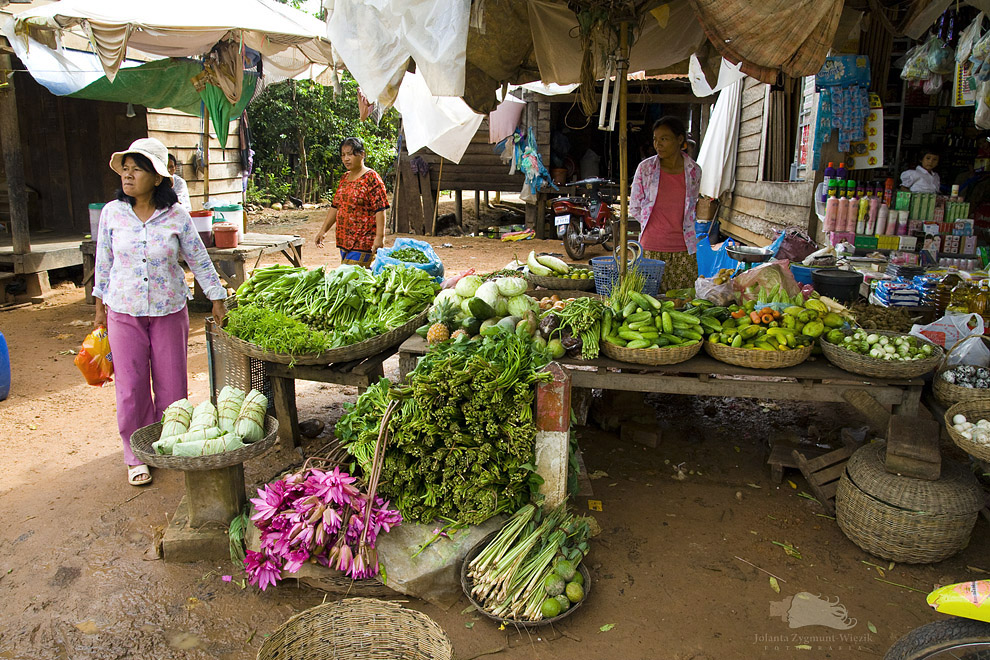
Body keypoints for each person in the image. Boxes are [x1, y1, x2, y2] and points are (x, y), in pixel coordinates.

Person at [92, 138, 228, 486]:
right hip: (123, 310)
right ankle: (136, 453)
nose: (128, 174)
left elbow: (198, 257)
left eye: (137, 168)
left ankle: (169, 442)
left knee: (171, 384)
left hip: (169, 309)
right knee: (131, 385)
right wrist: (98, 308)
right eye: (126, 168)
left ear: (157, 178)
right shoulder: (112, 213)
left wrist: (216, 296)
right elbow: (103, 263)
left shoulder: (176, 216)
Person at [629, 116, 703, 292]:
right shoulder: (645, 169)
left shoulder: (694, 171)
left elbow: (691, 206)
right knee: (647, 304)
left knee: (682, 305)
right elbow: (635, 206)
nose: (658, 144)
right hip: (651, 248)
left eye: (664, 139)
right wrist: (656, 226)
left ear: (679, 140)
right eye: (655, 139)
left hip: (683, 250)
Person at [314, 137, 390, 266]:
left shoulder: (371, 178)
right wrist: (323, 231)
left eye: (350, 154)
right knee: (352, 279)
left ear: (362, 154)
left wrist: (380, 237)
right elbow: (335, 206)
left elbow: (380, 209)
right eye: (343, 155)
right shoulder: (345, 178)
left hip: (363, 241)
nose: (346, 159)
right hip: (344, 241)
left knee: (352, 278)